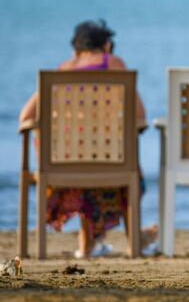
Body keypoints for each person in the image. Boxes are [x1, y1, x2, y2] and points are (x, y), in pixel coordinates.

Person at [18, 19, 157, 258]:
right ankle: (131, 239)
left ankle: (88, 243)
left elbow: (26, 117)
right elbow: (141, 116)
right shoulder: (113, 64)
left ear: (76, 49)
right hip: (113, 160)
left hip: (62, 162)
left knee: (83, 159)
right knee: (126, 168)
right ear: (107, 46)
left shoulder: (61, 70)